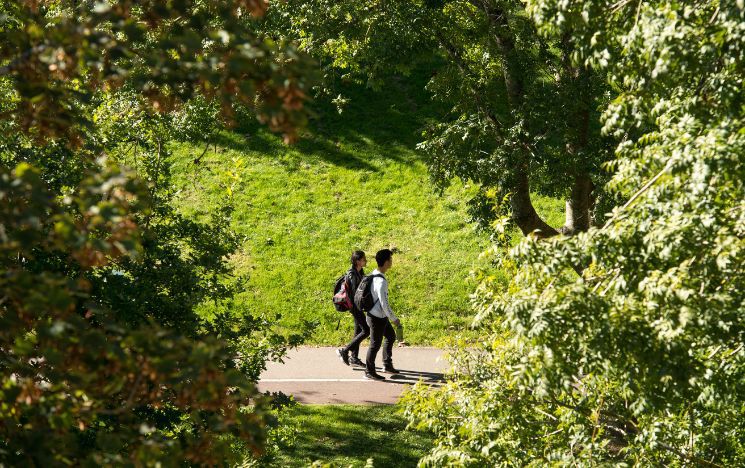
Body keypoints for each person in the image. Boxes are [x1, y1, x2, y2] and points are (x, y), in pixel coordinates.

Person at [364, 249, 401, 381]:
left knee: (390, 336)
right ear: (386, 262)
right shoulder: (381, 282)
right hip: (376, 318)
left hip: (379, 316)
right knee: (375, 344)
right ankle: (369, 371)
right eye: (390, 259)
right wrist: (394, 319)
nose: (391, 262)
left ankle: (387, 364)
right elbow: (384, 304)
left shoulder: (375, 274)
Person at [336, 251, 369, 367]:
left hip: (357, 306)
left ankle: (354, 357)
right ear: (357, 261)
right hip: (355, 306)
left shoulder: (359, 272)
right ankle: (344, 351)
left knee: (358, 331)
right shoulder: (352, 274)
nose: (366, 260)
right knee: (366, 330)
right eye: (364, 259)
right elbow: (356, 294)